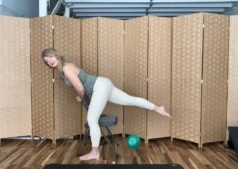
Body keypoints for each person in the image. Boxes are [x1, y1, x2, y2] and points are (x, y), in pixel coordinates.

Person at [41, 48, 171, 161]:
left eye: (50, 57)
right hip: (103, 84)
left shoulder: (66, 68)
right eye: (46, 61)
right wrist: (82, 96)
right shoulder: (65, 68)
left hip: (100, 87)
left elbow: (79, 87)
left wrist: (80, 97)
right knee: (130, 100)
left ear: (56, 55)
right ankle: (157, 108)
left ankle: (94, 152)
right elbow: (80, 86)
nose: (49, 61)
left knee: (92, 119)